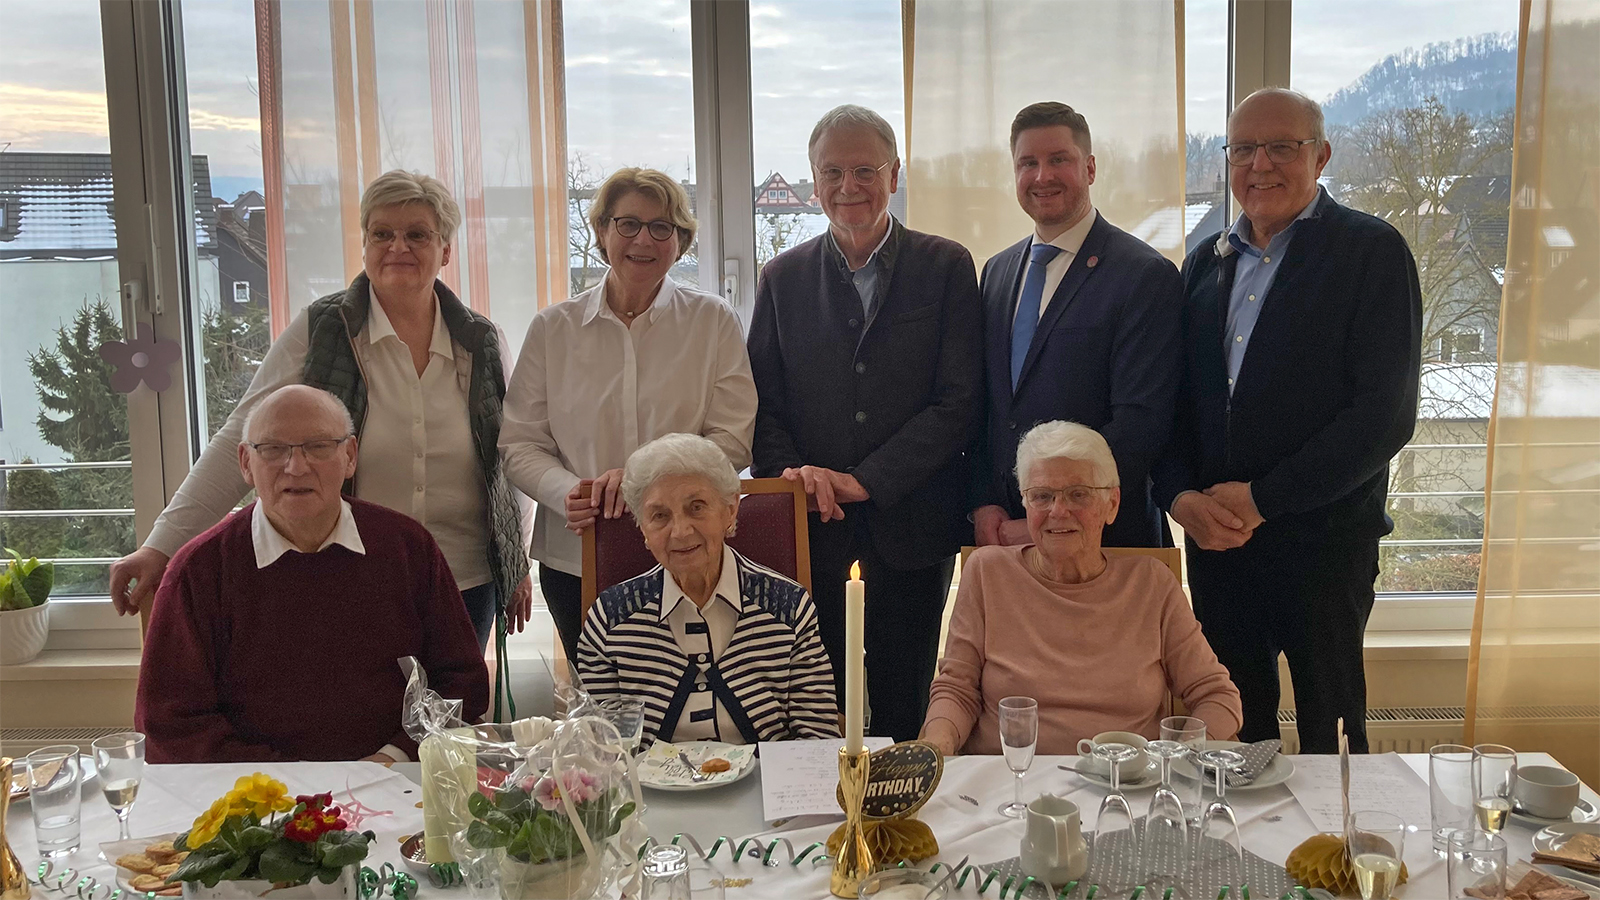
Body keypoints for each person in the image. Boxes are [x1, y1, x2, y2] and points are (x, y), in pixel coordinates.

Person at [110, 170, 531, 653]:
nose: (399, 246)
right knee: (352, 718)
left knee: (449, 722)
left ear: (446, 250)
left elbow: (509, 457)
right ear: (365, 244)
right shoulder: (321, 330)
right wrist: (160, 545)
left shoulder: (483, 341)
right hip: (347, 571)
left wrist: (515, 560)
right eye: (382, 234)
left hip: (464, 582)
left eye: (418, 234)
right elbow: (241, 440)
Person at [1153, 88, 1422, 754]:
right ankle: (1243, 860)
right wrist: (1179, 496)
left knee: (1334, 737)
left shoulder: (1371, 253)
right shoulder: (1204, 264)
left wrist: (1263, 500)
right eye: (1243, 149)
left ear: (1321, 156)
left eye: (1282, 147)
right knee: (1236, 739)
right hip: (1220, 552)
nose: (1260, 165)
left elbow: (1383, 417)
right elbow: (1176, 406)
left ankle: (1337, 858)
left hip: (1324, 550)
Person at [747, 104, 983, 743]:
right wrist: (794, 473)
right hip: (813, 532)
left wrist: (865, 480)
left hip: (913, 528)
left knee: (907, 702)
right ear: (812, 181)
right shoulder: (782, 277)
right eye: (832, 172)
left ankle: (907, 831)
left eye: (864, 170)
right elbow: (762, 405)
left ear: (895, 175)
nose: (848, 187)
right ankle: (828, 838)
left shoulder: (946, 266)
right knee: (820, 711)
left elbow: (959, 402)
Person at [135, 386, 490, 763]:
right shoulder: (199, 572)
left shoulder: (407, 548)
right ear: (244, 463)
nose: (296, 467)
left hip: (394, 783)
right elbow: (169, 726)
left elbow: (460, 683)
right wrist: (296, 785)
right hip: (257, 799)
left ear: (350, 456)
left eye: (319, 446)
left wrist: (394, 757)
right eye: (273, 449)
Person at [500, 168, 756, 664]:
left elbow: (734, 438)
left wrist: (646, 481)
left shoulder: (713, 321)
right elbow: (519, 444)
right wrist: (571, 492)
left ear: (680, 242)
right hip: (577, 554)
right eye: (628, 224)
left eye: (662, 227)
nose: (644, 239)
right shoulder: (554, 328)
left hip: (689, 552)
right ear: (601, 232)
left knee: (686, 705)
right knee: (603, 717)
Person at [922, 421, 1241, 756]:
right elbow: (956, 691)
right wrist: (937, 746)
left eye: (1078, 494)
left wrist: (1177, 761)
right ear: (1026, 504)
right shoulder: (988, 572)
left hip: (1124, 788)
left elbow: (1216, 696)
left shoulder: (1151, 583)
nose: (1058, 511)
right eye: (1042, 496)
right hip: (1008, 785)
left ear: (1112, 504)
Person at [972, 102, 1182, 550]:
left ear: (1089, 167)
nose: (1042, 176)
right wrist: (984, 503)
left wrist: (1047, 514)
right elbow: (988, 407)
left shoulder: (1143, 275)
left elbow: (1141, 423)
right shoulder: (997, 271)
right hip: (1003, 537)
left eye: (1058, 160)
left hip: (1103, 541)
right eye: (1028, 163)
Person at [575, 434, 839, 748]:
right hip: (651, 795)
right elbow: (598, 751)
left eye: (696, 508)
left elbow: (818, 738)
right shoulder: (610, 618)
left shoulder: (788, 606)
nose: (681, 531)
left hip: (764, 788)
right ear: (642, 529)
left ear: (730, 510)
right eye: (659, 516)